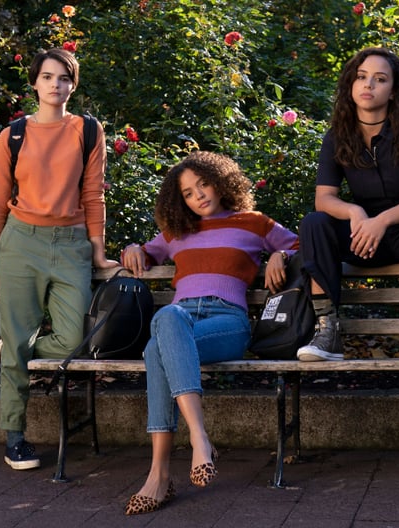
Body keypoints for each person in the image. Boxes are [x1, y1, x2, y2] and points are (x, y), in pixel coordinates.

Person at [120, 151, 299, 515]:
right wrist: (131, 249)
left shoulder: (254, 223)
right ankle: (191, 446)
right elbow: (144, 253)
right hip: (179, 322)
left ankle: (163, 471)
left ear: (220, 182)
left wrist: (282, 255)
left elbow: (299, 244)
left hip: (227, 323)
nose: (198, 195)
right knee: (165, 327)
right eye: (187, 192)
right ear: (179, 200)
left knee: (158, 347)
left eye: (203, 184)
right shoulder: (176, 232)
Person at [0, 48, 118, 470]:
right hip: (20, 243)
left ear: (72, 85)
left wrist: (97, 250)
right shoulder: (14, 135)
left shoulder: (88, 132)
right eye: (47, 77)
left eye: (63, 78)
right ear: (35, 83)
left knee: (72, 337)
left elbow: (93, 194)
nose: (55, 85)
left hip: (72, 244)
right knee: (19, 335)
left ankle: (12, 353)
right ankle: (15, 437)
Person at [297, 46, 399, 364]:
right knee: (314, 222)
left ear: (394, 90)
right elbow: (324, 198)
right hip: (361, 238)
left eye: (379, 79)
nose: (368, 85)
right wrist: (355, 212)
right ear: (350, 84)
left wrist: (382, 220)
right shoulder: (337, 136)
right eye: (361, 77)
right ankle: (326, 331)